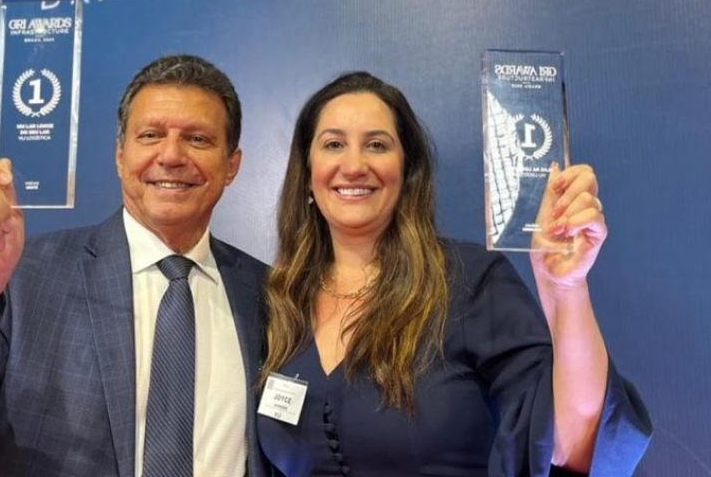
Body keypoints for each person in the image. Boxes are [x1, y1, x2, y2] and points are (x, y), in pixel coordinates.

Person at [0, 54, 270, 477]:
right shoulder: (30, 276)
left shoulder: (271, 295)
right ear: (119, 156)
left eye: (198, 139)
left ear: (232, 166)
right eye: (150, 135)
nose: (170, 155)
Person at [257, 72, 652, 476]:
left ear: (407, 170)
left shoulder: (468, 282)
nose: (354, 165)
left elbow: (577, 443)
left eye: (377, 145)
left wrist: (565, 287)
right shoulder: (280, 302)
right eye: (334, 144)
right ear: (307, 172)